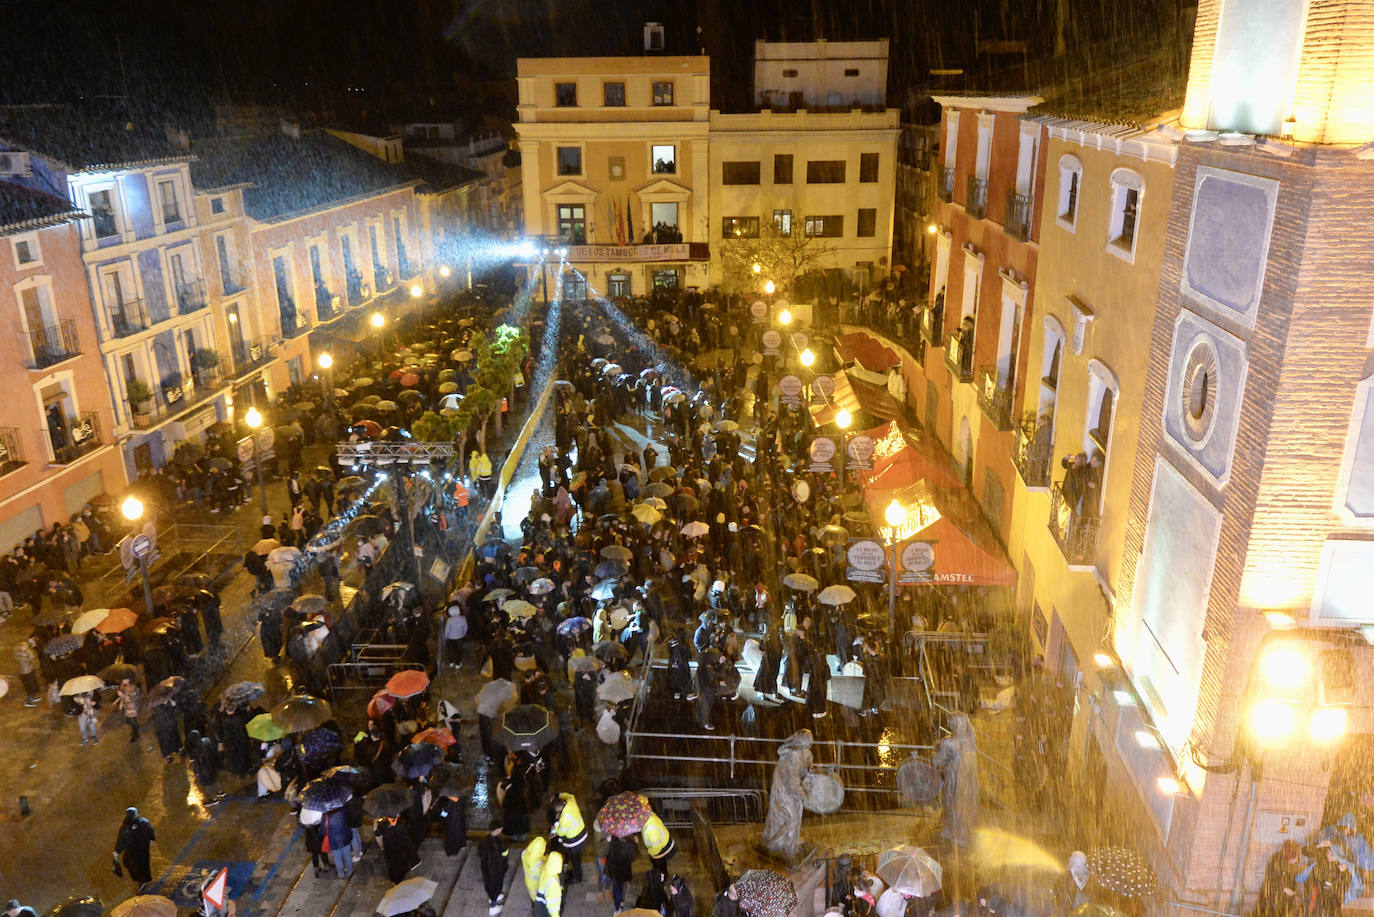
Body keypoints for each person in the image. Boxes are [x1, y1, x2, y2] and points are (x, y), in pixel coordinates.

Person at [1257, 840, 1306, 917]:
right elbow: (1271, 881)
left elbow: (1292, 873)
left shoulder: (1289, 862)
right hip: (1271, 901)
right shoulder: (1277, 861)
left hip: (1282, 903)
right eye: (1296, 854)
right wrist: (1285, 889)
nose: (1297, 857)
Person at [550, 791, 588, 885]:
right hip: (582, 833)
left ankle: (577, 877)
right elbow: (570, 795)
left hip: (575, 842)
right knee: (577, 858)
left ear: (558, 813)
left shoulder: (564, 818)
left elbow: (561, 833)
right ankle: (576, 872)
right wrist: (557, 794)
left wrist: (555, 823)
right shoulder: (570, 801)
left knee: (575, 859)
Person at [113, 806, 156, 886]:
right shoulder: (144, 823)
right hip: (142, 850)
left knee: (135, 866)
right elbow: (151, 832)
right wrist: (151, 840)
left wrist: (117, 851)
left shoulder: (125, 828)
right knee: (142, 865)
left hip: (133, 852)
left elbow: (121, 840)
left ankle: (141, 881)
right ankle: (144, 880)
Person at [377, 813, 420, 883]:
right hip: (400, 848)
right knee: (400, 862)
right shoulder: (402, 823)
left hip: (390, 849)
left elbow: (377, 833)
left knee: (392, 864)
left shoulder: (383, 824)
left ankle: (395, 880)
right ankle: (402, 875)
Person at [479, 825, 510, 916]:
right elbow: (503, 854)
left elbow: (480, 853)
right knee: (495, 886)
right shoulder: (498, 843)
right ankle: (493, 906)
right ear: (497, 830)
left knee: (490, 885)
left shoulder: (484, 840)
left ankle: (494, 897)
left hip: (486, 869)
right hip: (495, 870)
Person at [606, 833, 638, 912]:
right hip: (624, 870)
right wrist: (636, 844)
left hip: (614, 869)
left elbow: (607, 852)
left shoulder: (613, 839)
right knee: (622, 885)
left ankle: (618, 907)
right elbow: (634, 857)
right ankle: (621, 902)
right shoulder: (631, 845)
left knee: (616, 887)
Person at [535, 850, 564, 917]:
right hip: (546, 912)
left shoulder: (546, 870)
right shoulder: (553, 883)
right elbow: (553, 906)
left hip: (539, 907)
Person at [13, 640, 40, 706]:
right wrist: (27, 651)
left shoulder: (25, 652)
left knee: (33, 685)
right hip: (25, 673)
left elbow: (32, 657)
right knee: (29, 687)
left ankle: (32, 698)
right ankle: (28, 702)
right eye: (24, 646)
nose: (26, 648)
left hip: (29, 671)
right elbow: (32, 657)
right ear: (20, 647)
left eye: (27, 646)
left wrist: (27, 651)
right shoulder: (20, 655)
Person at [522, 836, 547, 903]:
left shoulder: (525, 852)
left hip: (529, 883)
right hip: (536, 886)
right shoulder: (538, 865)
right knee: (538, 902)